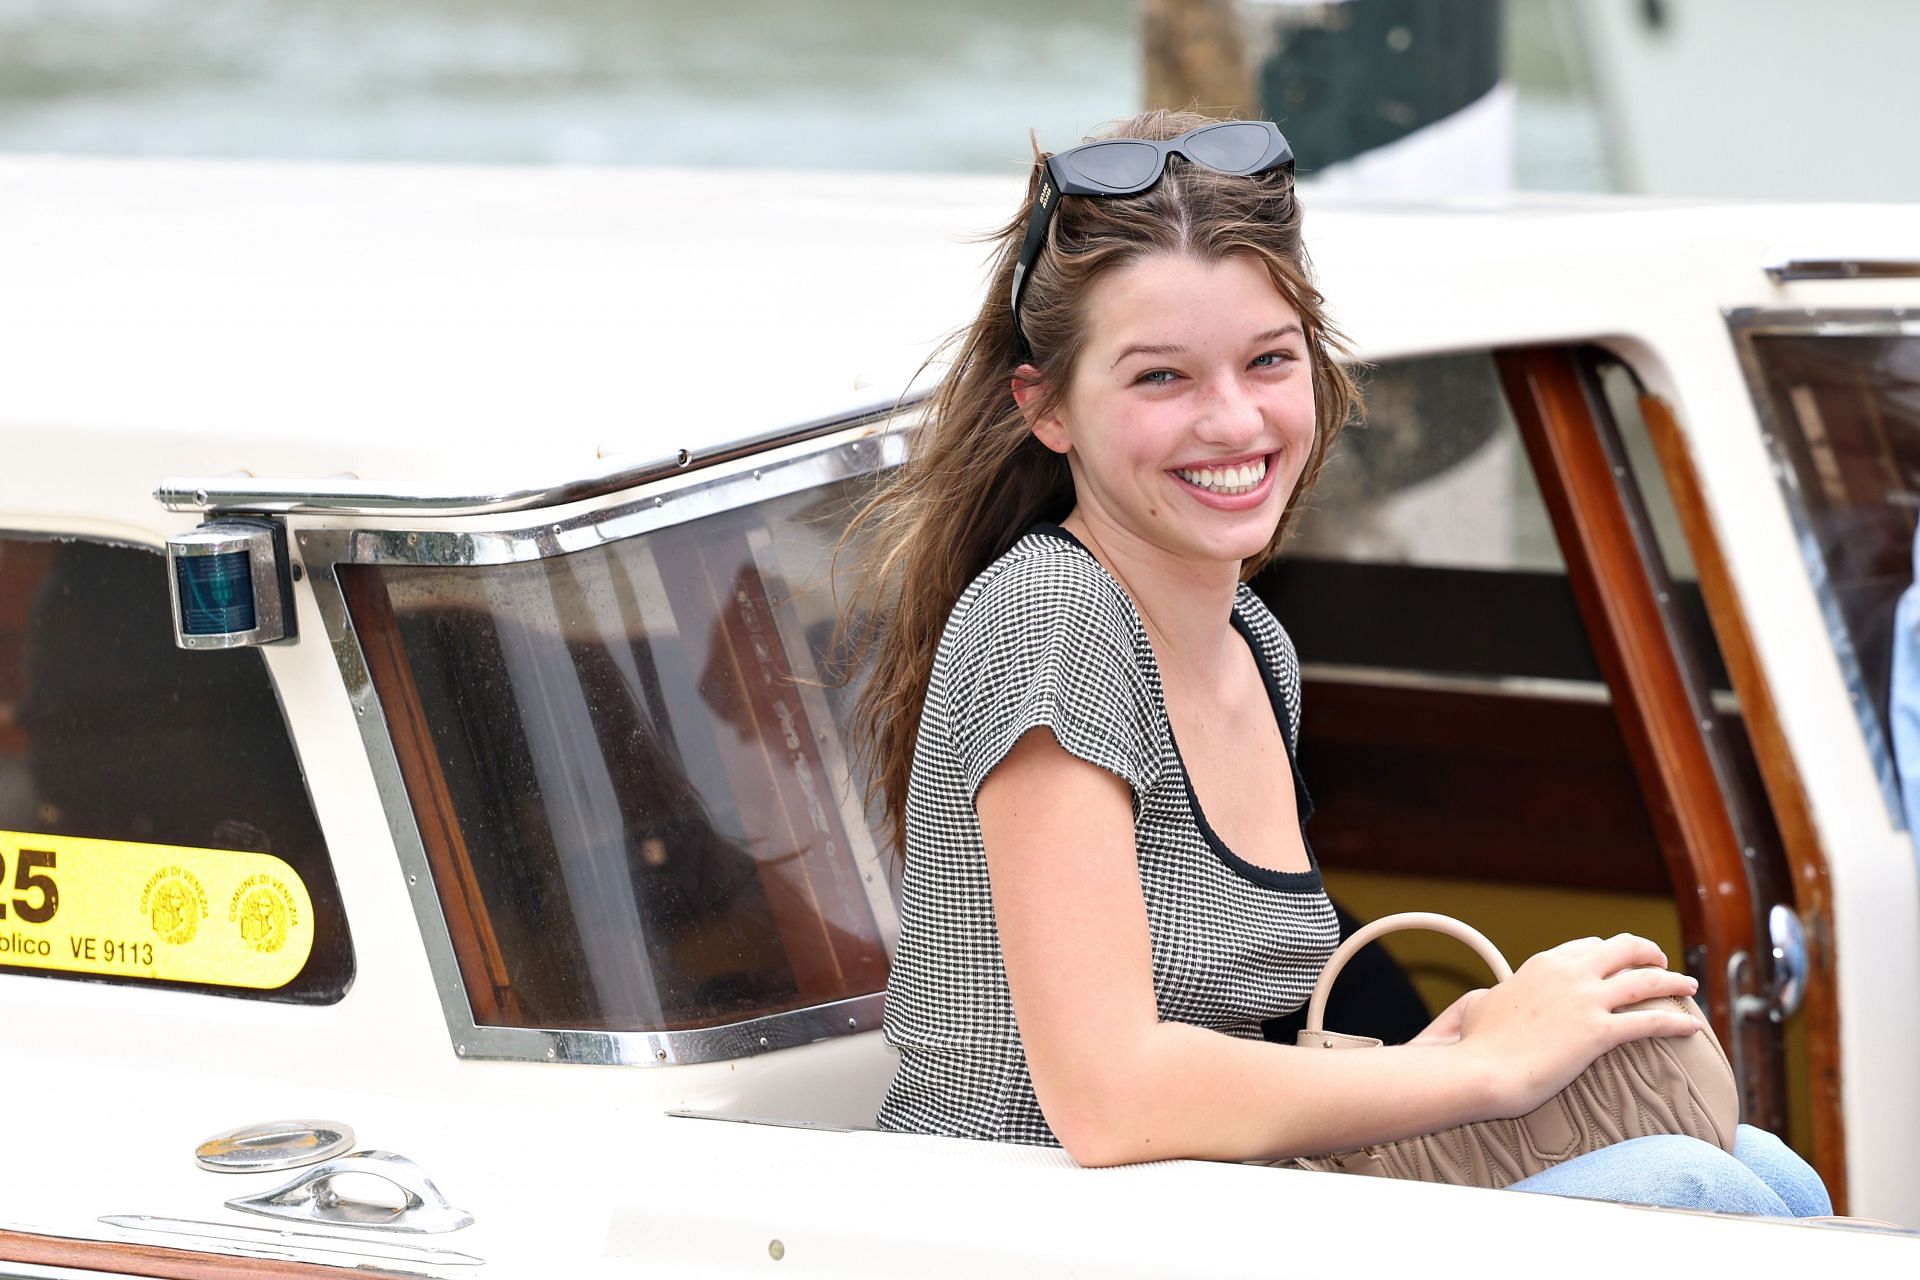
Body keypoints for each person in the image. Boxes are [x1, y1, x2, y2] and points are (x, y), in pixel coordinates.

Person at [842, 108, 1828, 1215]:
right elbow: (1109, 1097)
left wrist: (1469, 1034)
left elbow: (1242, 1039)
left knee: (1765, 1169)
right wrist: (1477, 1067)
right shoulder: (1050, 615)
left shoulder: (1254, 643)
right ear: (1049, 409)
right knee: (1688, 1185)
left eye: (1269, 360)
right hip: (1022, 1219)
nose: (1232, 419)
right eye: (1160, 378)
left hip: (1224, 1194)